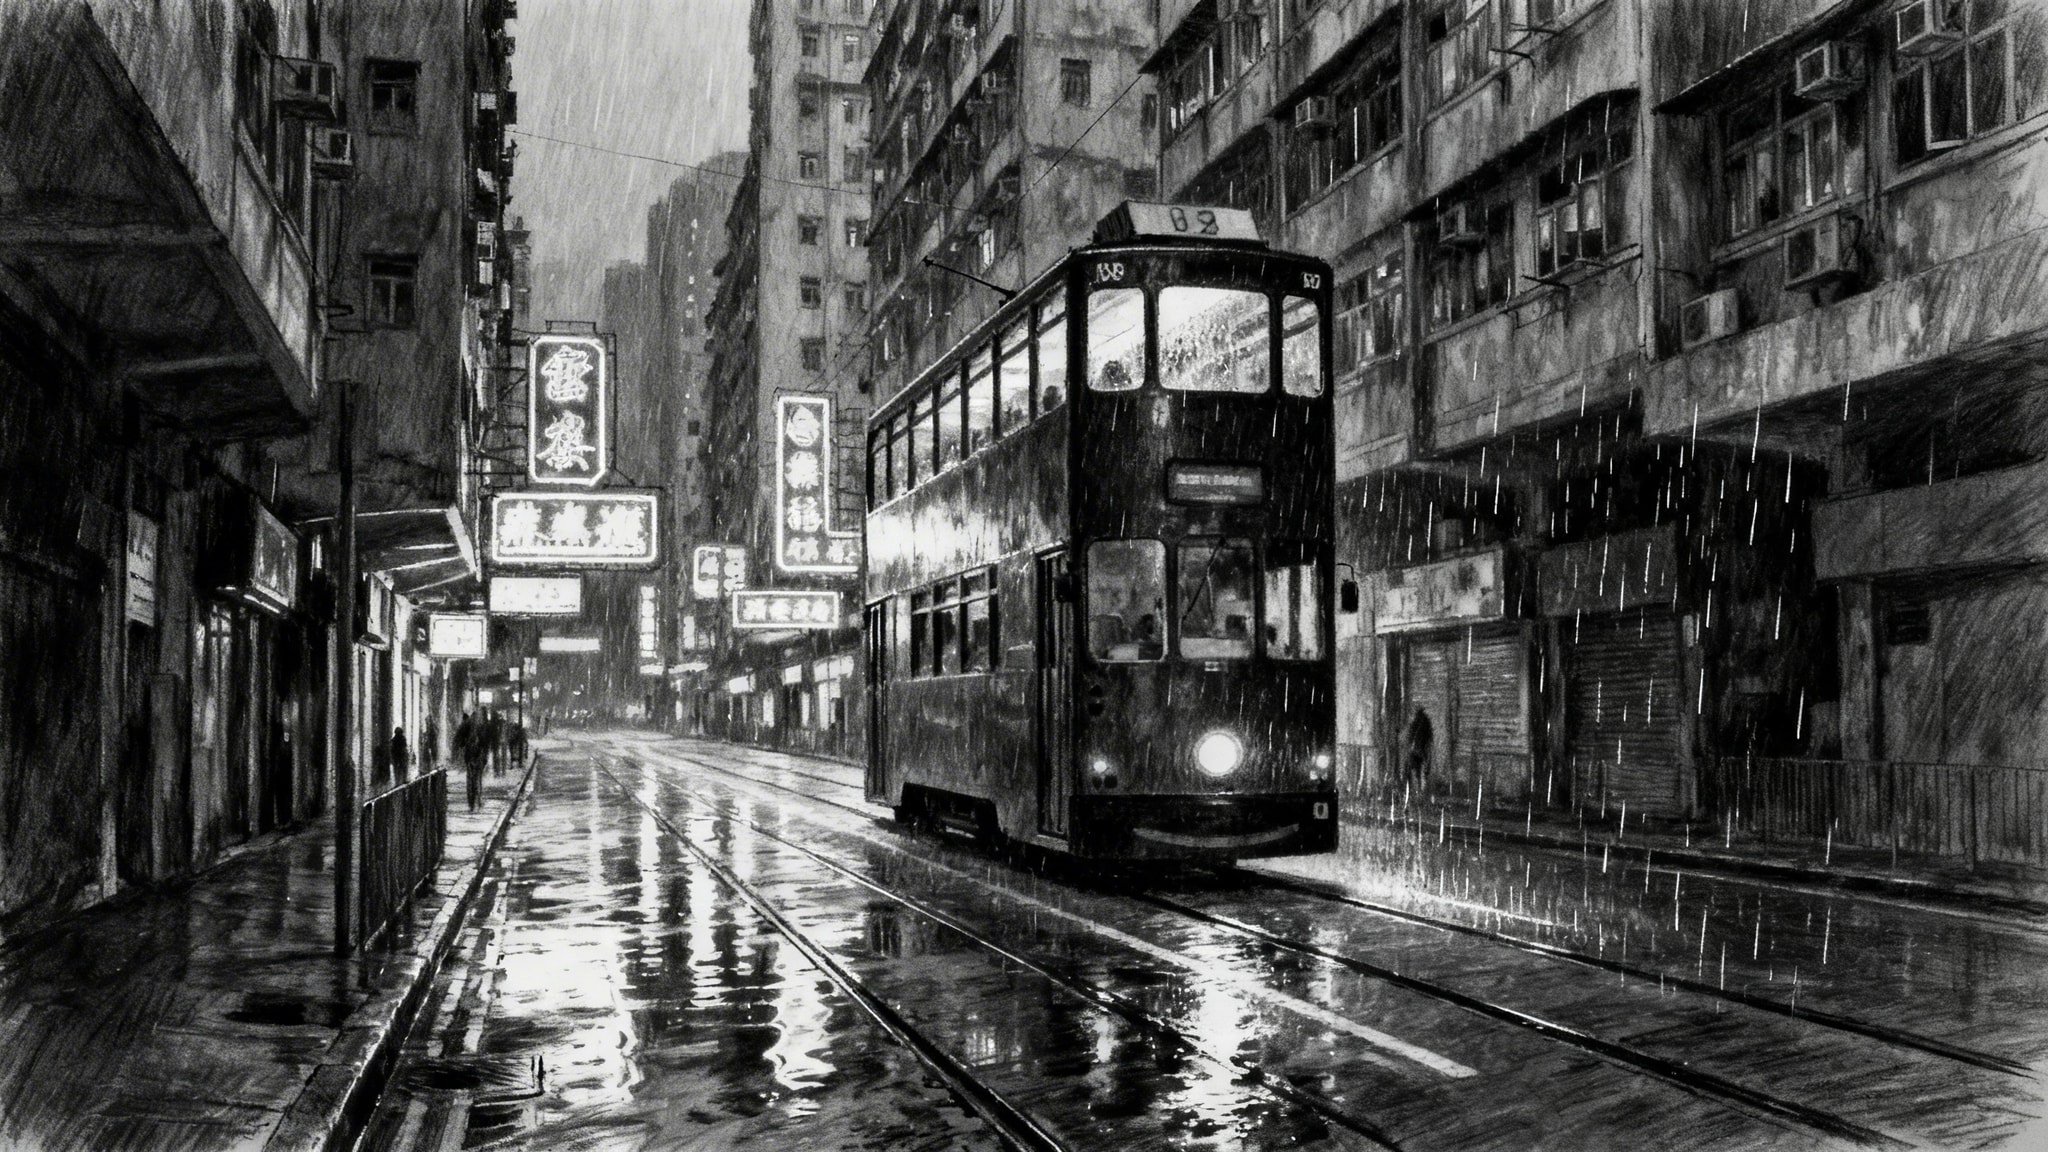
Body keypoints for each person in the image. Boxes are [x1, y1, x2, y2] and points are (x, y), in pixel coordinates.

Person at [457, 711, 484, 811]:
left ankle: (472, 802)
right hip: (477, 757)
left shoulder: (467, 728)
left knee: (470, 780)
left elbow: (460, 742)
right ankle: (478, 799)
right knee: (477, 779)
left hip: (470, 757)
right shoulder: (480, 728)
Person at [1403, 708, 1434, 797]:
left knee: (1415, 771)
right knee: (1421, 771)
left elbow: (1409, 737)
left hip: (1414, 752)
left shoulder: (1414, 723)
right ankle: (1420, 790)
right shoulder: (1426, 723)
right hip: (1421, 752)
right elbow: (1429, 739)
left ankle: (1415, 791)